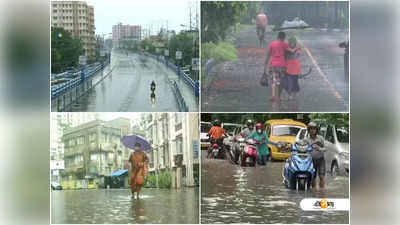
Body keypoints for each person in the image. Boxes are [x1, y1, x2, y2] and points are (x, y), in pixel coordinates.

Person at [264, 32, 299, 102]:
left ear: (277, 37)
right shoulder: (284, 44)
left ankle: (273, 96)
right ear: (284, 38)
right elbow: (291, 51)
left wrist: (265, 66)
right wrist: (298, 48)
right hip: (282, 65)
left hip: (273, 65)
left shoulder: (272, 44)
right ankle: (279, 97)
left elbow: (268, 55)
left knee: (274, 80)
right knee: (281, 82)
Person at [305, 121, 326, 189]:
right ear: (308, 130)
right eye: (311, 129)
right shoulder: (306, 140)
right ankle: (314, 191)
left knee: (322, 176)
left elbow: (325, 149)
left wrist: (319, 148)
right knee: (313, 177)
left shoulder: (320, 138)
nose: (312, 130)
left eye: (314, 129)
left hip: (320, 160)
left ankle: (321, 191)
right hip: (311, 161)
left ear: (316, 130)